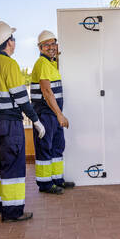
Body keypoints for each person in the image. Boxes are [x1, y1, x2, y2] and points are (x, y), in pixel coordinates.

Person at [0, 21, 45, 222]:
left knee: (0, 167)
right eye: (13, 39)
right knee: (14, 168)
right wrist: (36, 121)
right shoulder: (9, 64)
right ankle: (13, 211)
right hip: (10, 125)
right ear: (8, 42)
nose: (15, 43)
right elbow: (21, 98)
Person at [30, 30, 75, 194]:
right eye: (46, 44)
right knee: (45, 147)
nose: (51, 47)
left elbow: (56, 55)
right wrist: (59, 114)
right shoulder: (42, 64)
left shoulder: (50, 63)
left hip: (53, 114)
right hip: (45, 114)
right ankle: (45, 185)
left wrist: (57, 53)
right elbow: (47, 92)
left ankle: (57, 180)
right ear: (40, 48)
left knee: (57, 147)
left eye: (53, 43)